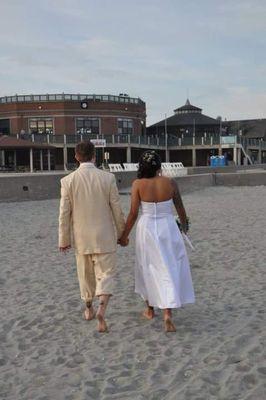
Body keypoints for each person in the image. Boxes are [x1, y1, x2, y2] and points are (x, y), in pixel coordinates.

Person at [119, 151, 195, 332]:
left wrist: (124, 236)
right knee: (168, 266)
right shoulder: (170, 183)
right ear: (159, 166)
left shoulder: (138, 184)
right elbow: (180, 208)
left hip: (147, 229)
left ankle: (150, 309)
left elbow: (133, 214)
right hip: (167, 226)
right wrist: (184, 226)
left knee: (147, 266)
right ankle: (168, 312)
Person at [59, 141, 126, 333]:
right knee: (106, 275)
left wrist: (64, 240)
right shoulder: (108, 178)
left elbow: (64, 213)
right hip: (104, 236)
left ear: (76, 157)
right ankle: (102, 310)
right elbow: (116, 209)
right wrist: (122, 234)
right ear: (94, 155)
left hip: (82, 238)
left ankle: (89, 309)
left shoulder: (68, 181)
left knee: (85, 276)